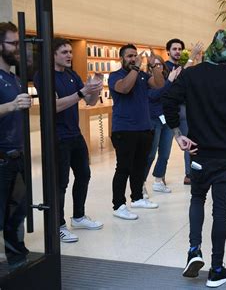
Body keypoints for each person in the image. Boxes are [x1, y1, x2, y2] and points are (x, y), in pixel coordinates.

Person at [163, 29, 226, 288]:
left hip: (198, 153)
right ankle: (217, 268)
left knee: (197, 198)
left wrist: (178, 136)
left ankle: (194, 250)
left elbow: (168, 101)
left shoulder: (192, 75)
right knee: (220, 211)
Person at [34, 38, 104, 243]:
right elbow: (52, 106)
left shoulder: (72, 74)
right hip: (57, 136)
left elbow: (89, 102)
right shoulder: (43, 76)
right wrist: (82, 92)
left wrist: (95, 88)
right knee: (60, 183)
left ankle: (79, 216)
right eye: (64, 52)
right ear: (53, 54)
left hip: (75, 134)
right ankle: (58, 225)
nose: (69, 55)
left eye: (70, 52)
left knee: (84, 175)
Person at [108, 44, 164, 220]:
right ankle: (118, 205)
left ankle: (137, 198)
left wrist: (154, 66)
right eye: (129, 56)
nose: (133, 58)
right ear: (122, 58)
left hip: (144, 128)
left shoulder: (141, 75)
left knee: (139, 166)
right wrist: (136, 67)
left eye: (135, 55)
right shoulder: (115, 76)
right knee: (123, 167)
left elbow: (159, 84)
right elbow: (124, 88)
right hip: (124, 129)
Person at [0, 21, 31, 270]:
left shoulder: (14, 77)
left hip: (17, 155)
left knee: (17, 211)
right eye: (12, 43)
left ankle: (17, 257)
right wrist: (12, 105)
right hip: (2, 156)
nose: (17, 49)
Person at [164, 38, 204, 186]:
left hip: (184, 109)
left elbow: (194, 78)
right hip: (169, 111)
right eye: (174, 49)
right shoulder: (164, 67)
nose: (177, 51)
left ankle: (190, 174)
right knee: (164, 150)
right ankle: (158, 177)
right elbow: (178, 79)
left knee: (190, 143)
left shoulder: (183, 65)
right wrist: (192, 57)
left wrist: (197, 60)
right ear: (168, 51)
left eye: (180, 49)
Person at [143, 56, 182, 196]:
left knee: (165, 153)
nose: (158, 67)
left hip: (167, 120)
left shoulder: (167, 80)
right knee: (151, 154)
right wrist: (170, 82)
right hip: (153, 119)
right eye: (155, 65)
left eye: (160, 65)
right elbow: (155, 95)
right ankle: (140, 183)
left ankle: (159, 180)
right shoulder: (147, 80)